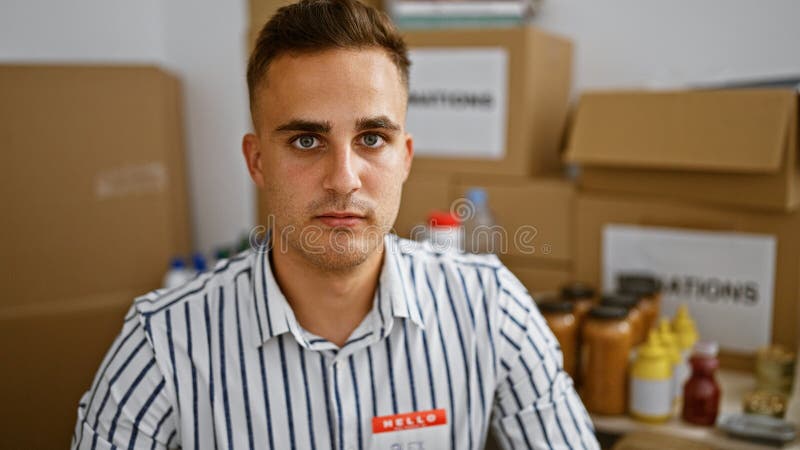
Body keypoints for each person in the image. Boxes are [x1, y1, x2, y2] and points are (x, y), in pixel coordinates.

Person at [71, 0, 599, 448]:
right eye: (306, 141)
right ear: (257, 161)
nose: (343, 179)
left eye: (372, 139)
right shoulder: (162, 345)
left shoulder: (491, 308)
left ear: (405, 157)